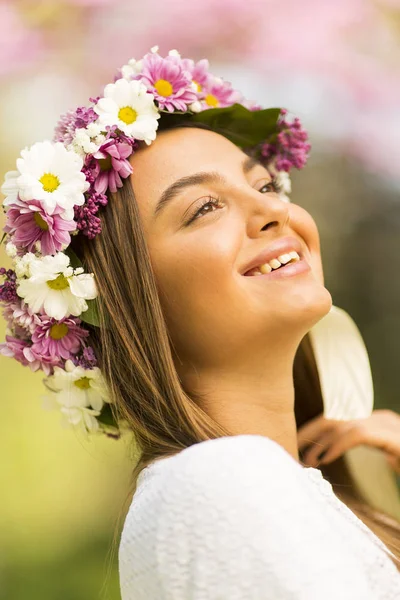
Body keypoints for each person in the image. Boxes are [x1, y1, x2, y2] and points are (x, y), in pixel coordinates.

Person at [1, 47, 400, 599]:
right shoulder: (215, 485)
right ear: (130, 304)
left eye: (263, 186)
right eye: (205, 208)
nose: (276, 211)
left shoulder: (268, 487)